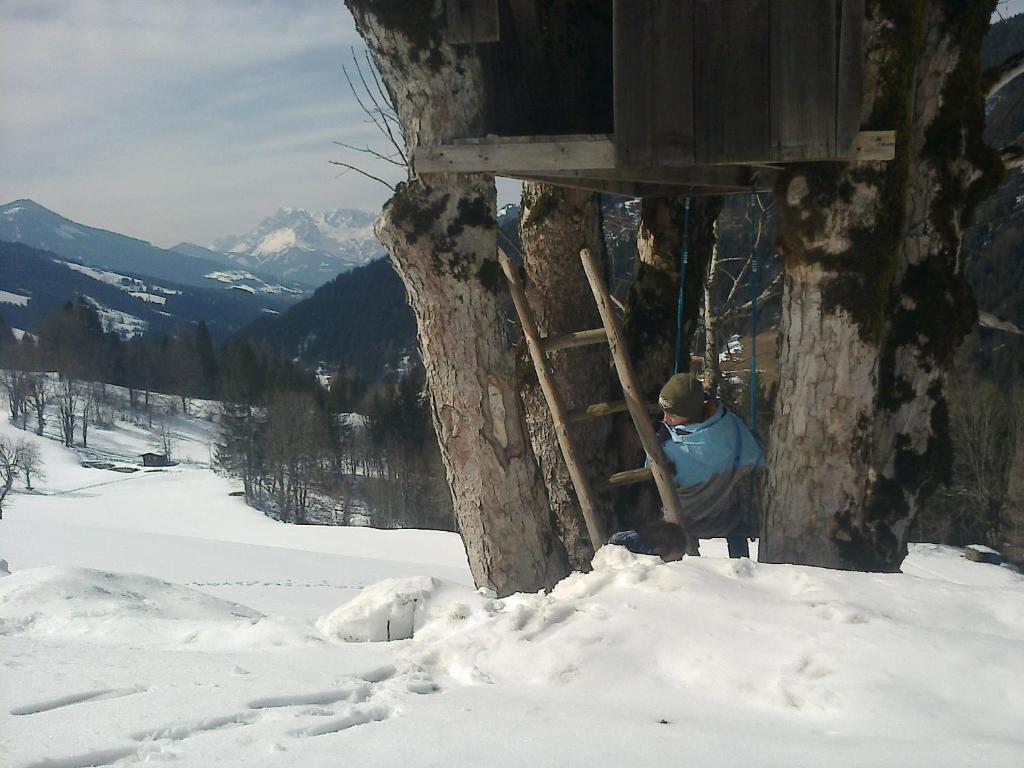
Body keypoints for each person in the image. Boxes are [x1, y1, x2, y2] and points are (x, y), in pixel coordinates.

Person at [654, 372, 763, 558]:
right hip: (726, 517)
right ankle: (742, 564)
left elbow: (652, 475)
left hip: (683, 523)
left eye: (672, 415)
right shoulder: (732, 427)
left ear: (690, 413)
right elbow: (757, 455)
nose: (665, 419)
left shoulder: (669, 450)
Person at [608, 520, 688, 562]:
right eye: (676, 559)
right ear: (674, 550)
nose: (676, 561)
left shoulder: (647, 543)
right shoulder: (631, 542)